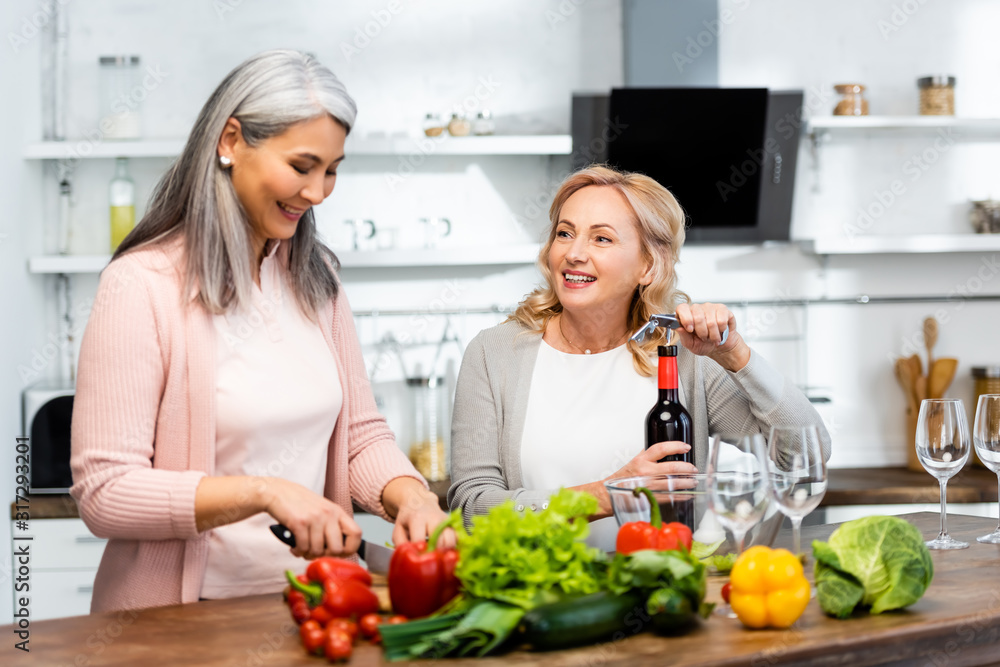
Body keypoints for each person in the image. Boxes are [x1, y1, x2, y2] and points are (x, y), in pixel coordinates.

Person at [70, 50, 449, 613]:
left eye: (333, 170)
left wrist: (411, 495)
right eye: (302, 166)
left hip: (317, 605)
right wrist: (266, 493)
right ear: (230, 141)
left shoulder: (316, 278)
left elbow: (359, 437)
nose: (319, 192)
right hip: (183, 622)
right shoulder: (141, 286)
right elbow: (106, 492)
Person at [448, 165, 831, 550]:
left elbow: (805, 458)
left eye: (601, 238)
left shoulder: (682, 356)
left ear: (647, 266)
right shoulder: (494, 353)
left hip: (660, 592)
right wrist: (605, 494)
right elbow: (471, 508)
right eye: (565, 233)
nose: (574, 253)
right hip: (539, 595)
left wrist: (736, 355)